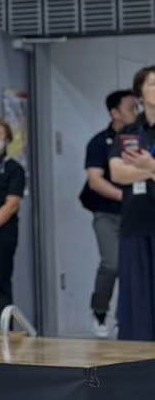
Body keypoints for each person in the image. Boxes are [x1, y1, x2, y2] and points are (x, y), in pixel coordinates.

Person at [82, 89, 138, 337]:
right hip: (108, 213)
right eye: (130, 108)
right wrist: (124, 196)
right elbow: (95, 181)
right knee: (113, 264)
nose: (135, 113)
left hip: (138, 215)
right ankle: (100, 311)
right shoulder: (99, 142)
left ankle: (126, 318)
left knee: (137, 268)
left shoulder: (142, 138)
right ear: (114, 113)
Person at [108, 67, 155, 340]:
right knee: (137, 297)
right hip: (135, 222)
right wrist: (151, 171)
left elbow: (130, 169)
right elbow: (117, 173)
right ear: (139, 92)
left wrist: (149, 165)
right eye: (151, 84)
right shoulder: (130, 132)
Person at [0, 118, 25, 328]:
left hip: (2, 233)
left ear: (7, 140)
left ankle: (1, 327)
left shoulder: (13, 169)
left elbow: (12, 204)